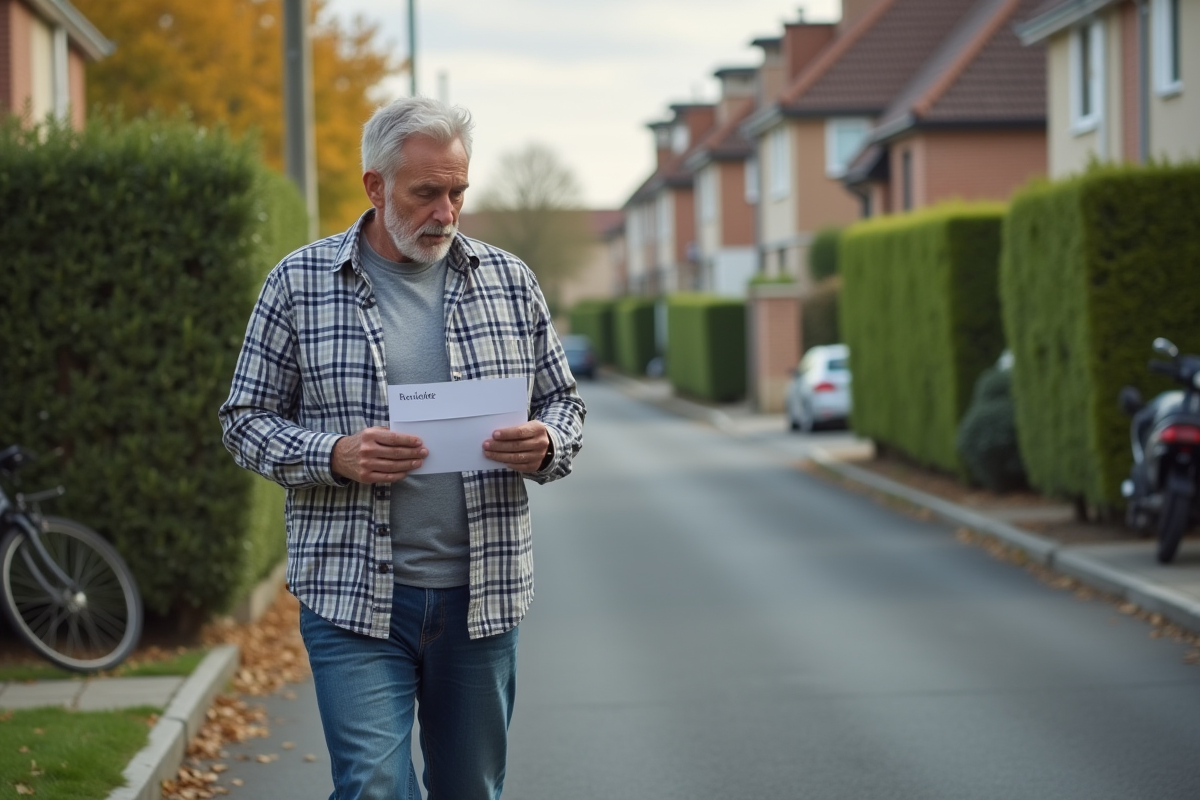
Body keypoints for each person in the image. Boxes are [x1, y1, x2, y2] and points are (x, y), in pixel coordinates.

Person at [218, 96, 585, 800]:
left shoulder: (510, 283)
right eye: (426, 193)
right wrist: (333, 455)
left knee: (469, 789)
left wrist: (546, 442)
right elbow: (244, 419)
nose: (445, 211)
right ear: (375, 186)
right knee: (374, 787)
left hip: (483, 598)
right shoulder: (297, 285)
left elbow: (564, 403)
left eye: (457, 192)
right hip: (353, 599)